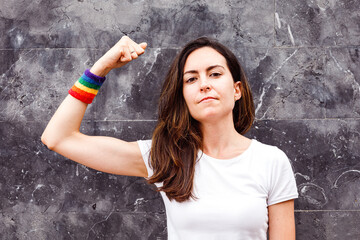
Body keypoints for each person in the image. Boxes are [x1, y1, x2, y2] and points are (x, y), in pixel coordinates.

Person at [41, 36, 298, 240]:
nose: (204, 84)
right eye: (191, 79)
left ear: (237, 90)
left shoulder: (271, 161)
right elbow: (58, 138)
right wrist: (101, 67)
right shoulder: (165, 157)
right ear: (184, 96)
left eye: (215, 74)